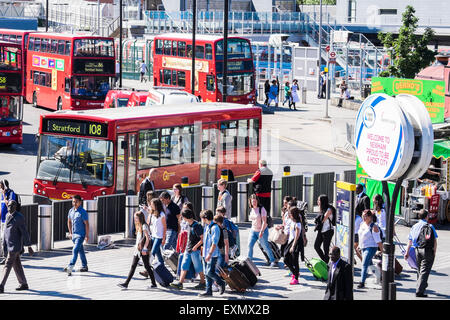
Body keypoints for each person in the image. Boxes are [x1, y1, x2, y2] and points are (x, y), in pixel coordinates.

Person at [0, 200, 34, 293]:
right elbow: (6, 231)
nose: (9, 208)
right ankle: (23, 283)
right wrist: (3, 244)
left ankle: (1, 285)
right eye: (9, 206)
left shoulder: (19, 217)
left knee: (7, 265)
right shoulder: (7, 215)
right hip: (8, 245)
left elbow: (25, 232)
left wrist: (29, 246)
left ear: (15, 207)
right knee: (17, 265)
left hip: (15, 246)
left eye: (12, 206)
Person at [117, 211, 157, 289]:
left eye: (136, 218)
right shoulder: (139, 225)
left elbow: (148, 238)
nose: (135, 219)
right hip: (138, 249)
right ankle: (126, 283)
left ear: (140, 218)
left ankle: (154, 283)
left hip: (143, 249)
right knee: (134, 266)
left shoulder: (144, 226)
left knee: (147, 266)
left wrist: (145, 248)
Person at [404, 209, 438, 297]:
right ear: (426, 217)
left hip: (417, 250)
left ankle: (422, 286)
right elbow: (434, 241)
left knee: (419, 270)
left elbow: (410, 241)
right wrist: (434, 252)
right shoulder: (430, 226)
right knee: (424, 271)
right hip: (427, 250)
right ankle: (419, 291)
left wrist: (407, 252)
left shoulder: (414, 226)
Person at [170, 209, 206, 290]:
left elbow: (202, 238)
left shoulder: (196, 226)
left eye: (183, 217)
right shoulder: (189, 224)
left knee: (198, 267)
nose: (182, 219)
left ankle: (203, 282)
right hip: (188, 249)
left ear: (186, 217)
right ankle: (180, 282)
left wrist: (196, 246)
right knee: (184, 265)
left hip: (195, 250)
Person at [198, 210, 226, 297]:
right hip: (205, 254)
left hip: (212, 255)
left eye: (202, 218)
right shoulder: (206, 227)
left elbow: (214, 243)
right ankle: (208, 290)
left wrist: (209, 254)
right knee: (207, 273)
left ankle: (221, 283)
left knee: (209, 272)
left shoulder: (215, 228)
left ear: (205, 218)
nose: (201, 220)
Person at [247, 194, 278, 268]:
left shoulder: (262, 209)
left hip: (262, 230)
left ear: (257, 201)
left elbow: (265, 222)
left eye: (255, 201)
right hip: (253, 230)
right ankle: (249, 261)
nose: (253, 203)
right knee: (249, 245)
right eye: (252, 202)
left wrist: (261, 231)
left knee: (265, 246)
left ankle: (272, 260)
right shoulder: (251, 209)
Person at [356, 210, 383, 289]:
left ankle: (362, 282)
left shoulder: (374, 227)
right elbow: (360, 236)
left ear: (370, 217)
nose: (364, 218)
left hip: (371, 247)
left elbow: (378, 240)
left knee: (364, 264)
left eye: (366, 216)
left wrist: (382, 250)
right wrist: (359, 246)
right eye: (363, 216)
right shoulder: (362, 224)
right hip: (363, 247)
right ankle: (379, 275)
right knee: (370, 264)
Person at [65, 195, 89, 276]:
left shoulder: (83, 212)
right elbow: (69, 221)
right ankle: (84, 266)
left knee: (75, 250)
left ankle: (70, 267)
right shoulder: (71, 211)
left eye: (76, 202)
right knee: (80, 250)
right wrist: (70, 233)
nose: (74, 203)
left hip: (80, 235)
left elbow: (86, 224)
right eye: (73, 202)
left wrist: (86, 235)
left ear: (80, 202)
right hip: (74, 236)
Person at [283, 207, 303, 285]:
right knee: (286, 259)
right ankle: (295, 273)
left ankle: (296, 278)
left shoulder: (297, 224)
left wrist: (293, 246)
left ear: (293, 214)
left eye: (290, 214)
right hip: (290, 242)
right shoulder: (292, 221)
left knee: (295, 261)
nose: (289, 215)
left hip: (295, 243)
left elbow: (297, 236)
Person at [314, 194, 334, 264]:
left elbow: (322, 220)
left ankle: (326, 263)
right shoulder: (322, 209)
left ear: (322, 201)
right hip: (321, 230)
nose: (317, 202)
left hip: (328, 231)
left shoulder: (329, 209)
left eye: (319, 200)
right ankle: (325, 261)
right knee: (316, 246)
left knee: (326, 248)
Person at [0, 180, 17, 261]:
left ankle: (6, 257)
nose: (0, 188)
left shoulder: (11, 193)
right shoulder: (2, 194)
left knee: (5, 238)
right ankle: (3, 255)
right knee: (1, 238)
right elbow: (2, 206)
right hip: (2, 220)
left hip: (8, 220)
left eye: (1, 186)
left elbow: (9, 206)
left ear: (5, 186)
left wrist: (4, 194)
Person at [148, 198, 166, 264]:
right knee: (158, 254)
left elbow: (164, 227)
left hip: (159, 236)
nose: (151, 205)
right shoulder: (152, 214)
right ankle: (162, 266)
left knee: (153, 252)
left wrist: (164, 238)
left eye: (152, 204)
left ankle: (147, 267)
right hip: (153, 235)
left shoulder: (162, 214)